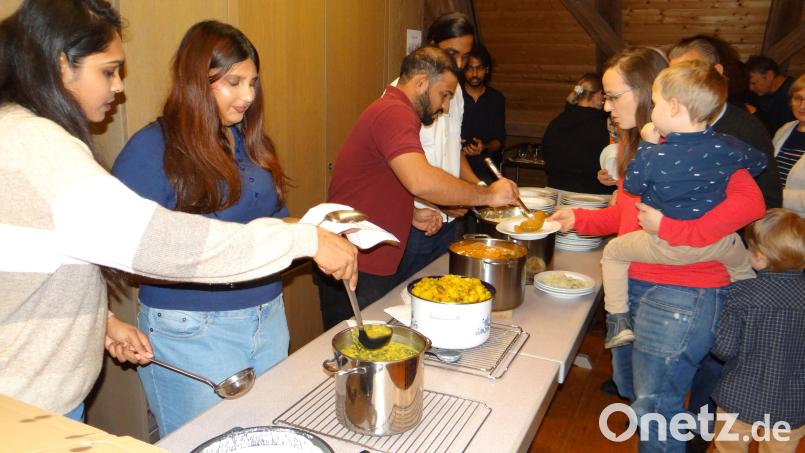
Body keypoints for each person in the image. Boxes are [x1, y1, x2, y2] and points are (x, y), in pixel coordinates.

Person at [0, 0, 356, 424]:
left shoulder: (25, 136)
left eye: (252, 83)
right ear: (62, 64)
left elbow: (36, 272)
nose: (118, 87)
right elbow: (158, 244)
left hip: (41, 398)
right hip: (27, 403)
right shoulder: (40, 145)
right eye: (108, 71)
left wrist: (103, 321)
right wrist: (305, 239)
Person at [548, 47, 765, 452]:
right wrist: (578, 219)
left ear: (650, 93)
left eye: (614, 96)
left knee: (657, 411)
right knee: (637, 397)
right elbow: (629, 219)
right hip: (638, 287)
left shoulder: (703, 148)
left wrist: (679, 231)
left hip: (680, 293)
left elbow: (749, 204)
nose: (606, 107)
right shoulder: (645, 147)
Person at [111, 21, 301, 436]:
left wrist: (314, 230)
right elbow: (121, 251)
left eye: (252, 83)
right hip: (193, 330)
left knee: (266, 436)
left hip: (267, 317)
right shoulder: (151, 149)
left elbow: (274, 219)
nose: (248, 96)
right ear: (197, 80)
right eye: (233, 82)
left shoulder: (251, 142)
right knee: (203, 441)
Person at [315, 46, 519, 330]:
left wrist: (409, 212)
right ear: (421, 82)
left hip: (368, 258)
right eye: (444, 95)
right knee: (358, 357)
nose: (446, 107)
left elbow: (380, 179)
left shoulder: (396, 110)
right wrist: (488, 194)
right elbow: (421, 180)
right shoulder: (394, 112)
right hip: (355, 261)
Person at [600, 60, 767, 349]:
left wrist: (648, 147)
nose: (606, 106)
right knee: (738, 257)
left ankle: (617, 320)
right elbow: (760, 162)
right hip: (718, 244)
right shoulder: (725, 145)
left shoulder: (655, 152)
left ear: (673, 106)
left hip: (666, 250)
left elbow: (633, 186)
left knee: (613, 251)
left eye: (655, 103)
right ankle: (751, 309)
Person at [392, 12, 483, 286]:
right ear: (431, 46)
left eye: (465, 57)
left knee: (440, 292)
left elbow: (453, 151)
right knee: (407, 300)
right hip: (415, 221)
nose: (458, 63)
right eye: (451, 53)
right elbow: (398, 172)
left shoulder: (455, 95)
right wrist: (448, 200)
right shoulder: (402, 97)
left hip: (447, 221)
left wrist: (477, 184)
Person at [710, 209, 805, 453]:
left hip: (740, 396)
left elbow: (724, 349)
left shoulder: (741, 294)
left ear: (760, 257)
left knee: (728, 447)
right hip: (794, 403)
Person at [665, 36, 783, 210]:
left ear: (718, 72)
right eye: (673, 77)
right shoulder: (671, 123)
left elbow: (769, 200)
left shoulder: (747, 128)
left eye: (690, 74)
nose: (679, 85)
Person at [542, 73, 611, 194]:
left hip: (556, 190)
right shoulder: (600, 124)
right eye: (604, 95)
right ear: (598, 94)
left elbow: (546, 155)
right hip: (590, 193)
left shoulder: (558, 121)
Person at [461, 42, 506, 184]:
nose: (474, 74)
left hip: (488, 171)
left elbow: (499, 141)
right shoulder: (453, 96)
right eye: (469, 68)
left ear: (487, 69)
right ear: (463, 69)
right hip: (457, 170)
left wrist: (484, 146)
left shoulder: (496, 98)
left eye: (479, 68)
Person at [772, 74, 805, 217]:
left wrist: (775, 194)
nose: (803, 106)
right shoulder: (785, 128)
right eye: (798, 98)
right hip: (776, 216)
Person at [746, 55, 796, 135]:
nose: (751, 88)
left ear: (769, 75)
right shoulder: (761, 94)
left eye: (754, 83)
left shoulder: (792, 95)